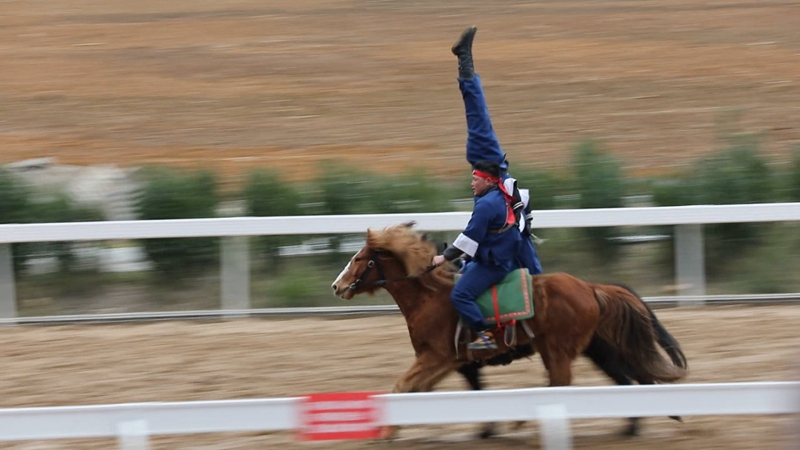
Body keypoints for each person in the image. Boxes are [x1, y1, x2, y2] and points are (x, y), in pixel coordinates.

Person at [451, 26, 544, 276]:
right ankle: (464, 59)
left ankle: (465, 60)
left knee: (479, 117)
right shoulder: (491, 174)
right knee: (479, 116)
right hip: (491, 168)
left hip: (492, 175)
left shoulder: (490, 194)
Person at [432, 159, 522, 350]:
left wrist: (443, 257)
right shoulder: (499, 196)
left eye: (475, 179)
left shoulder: (486, 204)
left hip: (493, 263)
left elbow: (470, 237)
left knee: (460, 295)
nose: (471, 183)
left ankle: (485, 334)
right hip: (499, 255)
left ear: (488, 181)